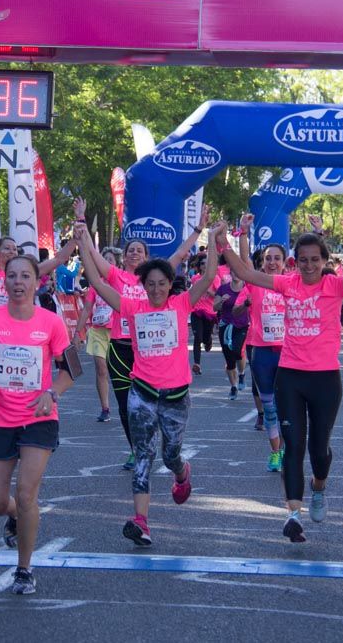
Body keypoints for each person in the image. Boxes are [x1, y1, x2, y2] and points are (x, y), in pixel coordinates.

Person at [221, 211, 343, 543]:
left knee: (319, 449)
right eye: (303, 260)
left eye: (314, 260)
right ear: (295, 262)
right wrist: (222, 243)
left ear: (324, 261)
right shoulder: (288, 283)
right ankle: (293, 514)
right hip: (290, 377)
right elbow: (246, 272)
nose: (309, 265)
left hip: (325, 379)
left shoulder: (335, 285)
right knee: (293, 445)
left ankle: (319, 488)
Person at [76, 220, 224, 546]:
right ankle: (141, 521)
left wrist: (213, 240)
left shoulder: (181, 303)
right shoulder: (132, 307)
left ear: (171, 285)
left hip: (176, 396)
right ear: (143, 285)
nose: (156, 290)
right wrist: (82, 243)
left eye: (161, 284)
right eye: (150, 284)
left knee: (170, 455)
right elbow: (98, 283)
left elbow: (209, 277)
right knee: (143, 455)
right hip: (141, 392)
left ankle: (181, 473)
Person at [72, 197, 208, 470]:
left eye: (139, 251)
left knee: (154, 406)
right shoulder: (115, 276)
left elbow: (181, 253)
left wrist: (198, 229)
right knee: (126, 406)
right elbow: (93, 261)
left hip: (150, 353)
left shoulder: (154, 279)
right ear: (124, 256)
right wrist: (81, 224)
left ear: (146, 257)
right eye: (130, 250)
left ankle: (153, 446)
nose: (134, 253)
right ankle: (137, 450)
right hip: (120, 348)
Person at [0, 255, 74, 594]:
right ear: (4, 282)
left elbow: (71, 369)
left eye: (25, 276)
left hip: (38, 417)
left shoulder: (51, 322)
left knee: (26, 494)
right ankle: (13, 516)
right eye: (12, 276)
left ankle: (24, 568)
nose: (18, 282)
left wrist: (52, 394)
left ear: (37, 282)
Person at [232, 231, 287, 468]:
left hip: (289, 353)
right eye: (268, 258)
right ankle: (275, 452)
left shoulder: (292, 283)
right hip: (262, 352)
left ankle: (286, 449)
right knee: (269, 407)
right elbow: (244, 262)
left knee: (287, 407)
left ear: (284, 262)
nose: (272, 262)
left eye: (277, 258)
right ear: (262, 262)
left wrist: (318, 234)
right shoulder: (255, 284)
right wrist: (244, 233)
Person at [74, 247, 121, 423]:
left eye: (110, 260)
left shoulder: (121, 283)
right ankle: (105, 408)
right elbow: (87, 309)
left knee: (121, 372)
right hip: (98, 330)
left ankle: (128, 404)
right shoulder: (96, 286)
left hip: (118, 332)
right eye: (104, 259)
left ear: (116, 264)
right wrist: (78, 332)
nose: (106, 263)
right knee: (101, 369)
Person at [215, 267, 249, 400]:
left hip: (242, 325)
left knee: (237, 351)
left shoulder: (247, 289)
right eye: (234, 271)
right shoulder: (223, 289)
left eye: (238, 271)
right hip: (225, 326)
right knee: (229, 359)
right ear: (230, 273)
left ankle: (241, 373)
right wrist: (221, 301)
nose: (236, 274)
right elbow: (215, 307)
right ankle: (233, 387)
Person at [189, 256, 217, 376]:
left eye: (207, 263)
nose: (204, 266)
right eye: (202, 264)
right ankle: (197, 364)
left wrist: (209, 291)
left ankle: (208, 341)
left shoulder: (215, 278)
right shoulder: (195, 278)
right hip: (196, 311)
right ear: (199, 266)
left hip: (209, 312)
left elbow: (218, 295)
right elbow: (192, 292)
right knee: (197, 337)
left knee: (205, 338)